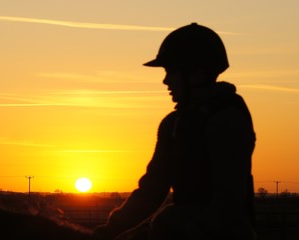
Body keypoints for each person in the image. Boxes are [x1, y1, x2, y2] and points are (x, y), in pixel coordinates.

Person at [93, 23, 256, 240]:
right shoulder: (173, 124)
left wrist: (185, 232)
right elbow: (152, 190)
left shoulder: (227, 121)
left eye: (171, 71)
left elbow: (227, 201)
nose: (165, 80)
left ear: (196, 74)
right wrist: (110, 230)